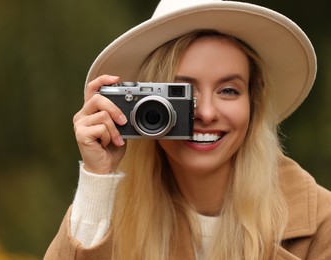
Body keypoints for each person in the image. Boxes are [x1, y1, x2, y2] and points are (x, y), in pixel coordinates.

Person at [45, 0, 331, 259]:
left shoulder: (321, 222)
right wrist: (97, 182)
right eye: (183, 93)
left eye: (229, 90)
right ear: (147, 106)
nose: (205, 113)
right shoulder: (108, 220)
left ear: (253, 105)